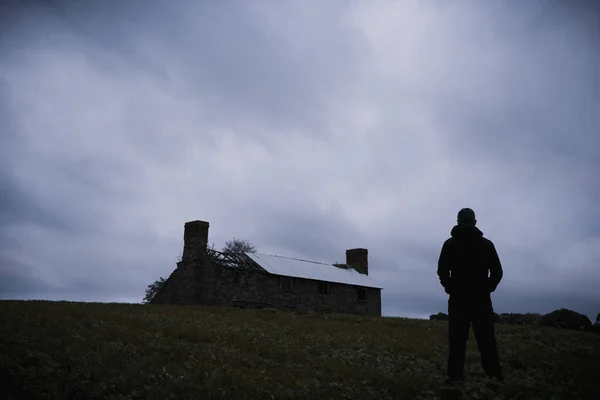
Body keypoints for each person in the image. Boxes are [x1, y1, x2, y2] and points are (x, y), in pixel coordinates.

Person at [437, 208, 504, 383]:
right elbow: (497, 272)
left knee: (457, 342)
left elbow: (442, 271)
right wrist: (487, 288)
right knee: (487, 341)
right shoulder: (487, 245)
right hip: (481, 300)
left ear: (458, 221)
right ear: (475, 222)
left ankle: (454, 379)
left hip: (458, 300)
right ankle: (494, 378)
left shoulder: (449, 244)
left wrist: (450, 288)